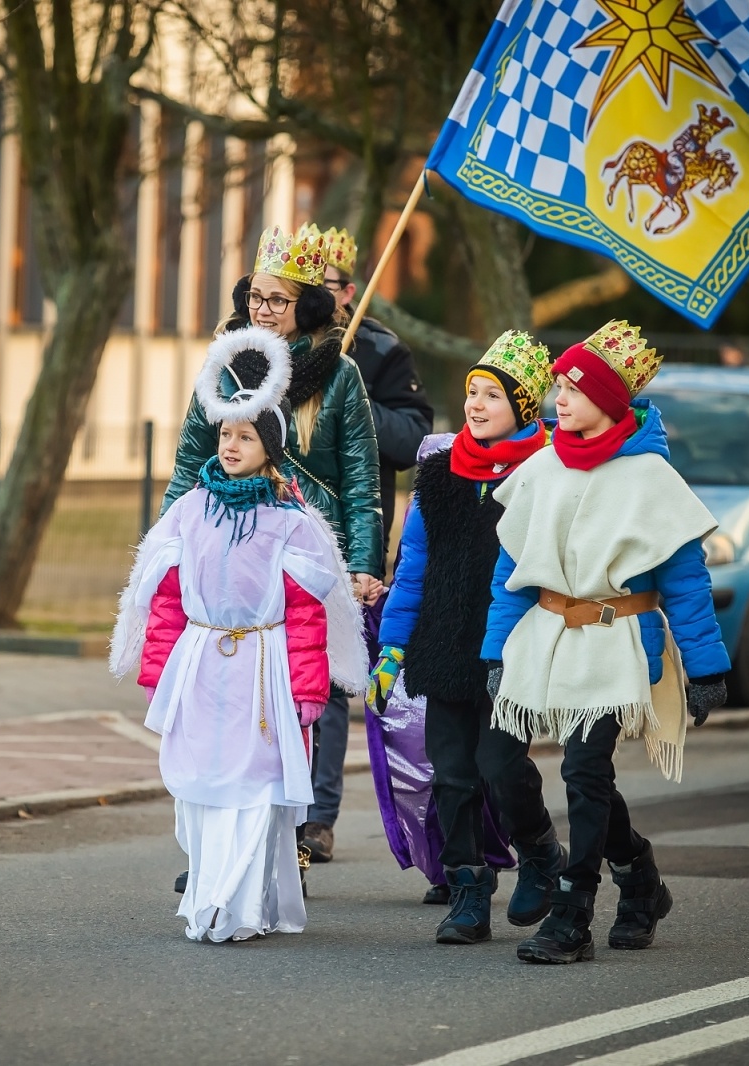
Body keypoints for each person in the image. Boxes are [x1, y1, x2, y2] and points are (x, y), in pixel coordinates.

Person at [481, 321, 730, 965]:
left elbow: (686, 581)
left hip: (616, 639)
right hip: (542, 636)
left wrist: (705, 667)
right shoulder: (541, 466)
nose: (557, 399)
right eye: (558, 386)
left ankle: (573, 912)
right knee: (500, 760)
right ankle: (640, 875)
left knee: (585, 774)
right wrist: (494, 652)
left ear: (610, 400)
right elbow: (511, 572)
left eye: (573, 388)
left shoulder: (649, 476)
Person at [113, 325, 367, 941]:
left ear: (270, 447)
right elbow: (167, 599)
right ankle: (208, 891)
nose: (230, 445)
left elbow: (307, 616)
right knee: (203, 785)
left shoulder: (291, 524)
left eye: (246, 436)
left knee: (254, 790)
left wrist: (309, 689)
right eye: (225, 433)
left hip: (263, 671)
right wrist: (159, 671)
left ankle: (244, 905)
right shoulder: (189, 510)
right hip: (202, 666)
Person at [163, 222, 383, 867]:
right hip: (233, 555)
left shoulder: (340, 377)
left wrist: (363, 566)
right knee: (228, 705)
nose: (262, 309)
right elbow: (189, 462)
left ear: (307, 305)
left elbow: (363, 480)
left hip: (309, 559)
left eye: (277, 300)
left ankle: (300, 833)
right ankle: (222, 846)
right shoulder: (224, 368)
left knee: (308, 696)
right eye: (255, 297)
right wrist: (167, 547)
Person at [369, 331, 552, 943]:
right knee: (450, 773)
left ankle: (540, 853)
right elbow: (413, 564)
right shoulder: (439, 471)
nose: (476, 404)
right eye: (472, 391)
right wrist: (392, 649)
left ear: (523, 406)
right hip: (443, 641)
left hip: (512, 644)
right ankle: (468, 888)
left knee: (501, 765)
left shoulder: (544, 472)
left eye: (492, 395)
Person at [321, 226, 434, 554]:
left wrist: (353, 401)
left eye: (323, 286)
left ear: (346, 292)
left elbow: (413, 437)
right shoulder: (278, 340)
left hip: (354, 528)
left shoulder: (383, 348)